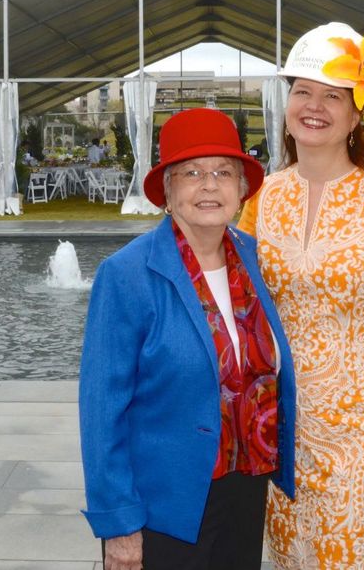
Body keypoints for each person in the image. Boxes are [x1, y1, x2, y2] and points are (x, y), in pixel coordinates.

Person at [238, 22, 364, 569]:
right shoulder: (259, 196)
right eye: (303, 90)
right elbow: (239, 310)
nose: (314, 105)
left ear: (357, 114)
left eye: (333, 95)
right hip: (279, 426)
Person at [79, 108, 296, 570]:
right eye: (191, 173)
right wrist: (119, 525)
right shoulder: (126, 274)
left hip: (245, 487)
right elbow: (102, 412)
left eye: (223, 172)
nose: (209, 185)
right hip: (166, 506)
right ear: (167, 192)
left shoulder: (252, 258)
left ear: (241, 189)